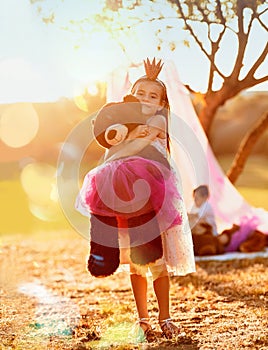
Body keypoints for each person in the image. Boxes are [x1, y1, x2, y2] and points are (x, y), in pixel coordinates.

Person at [76, 58, 195, 342]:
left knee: (158, 260)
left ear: (162, 103)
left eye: (153, 96)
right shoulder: (126, 121)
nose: (145, 98)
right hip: (126, 197)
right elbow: (115, 147)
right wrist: (126, 135)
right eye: (140, 93)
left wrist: (132, 137)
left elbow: (139, 143)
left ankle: (164, 317)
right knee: (136, 262)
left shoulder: (158, 118)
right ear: (131, 97)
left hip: (153, 195)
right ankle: (142, 319)